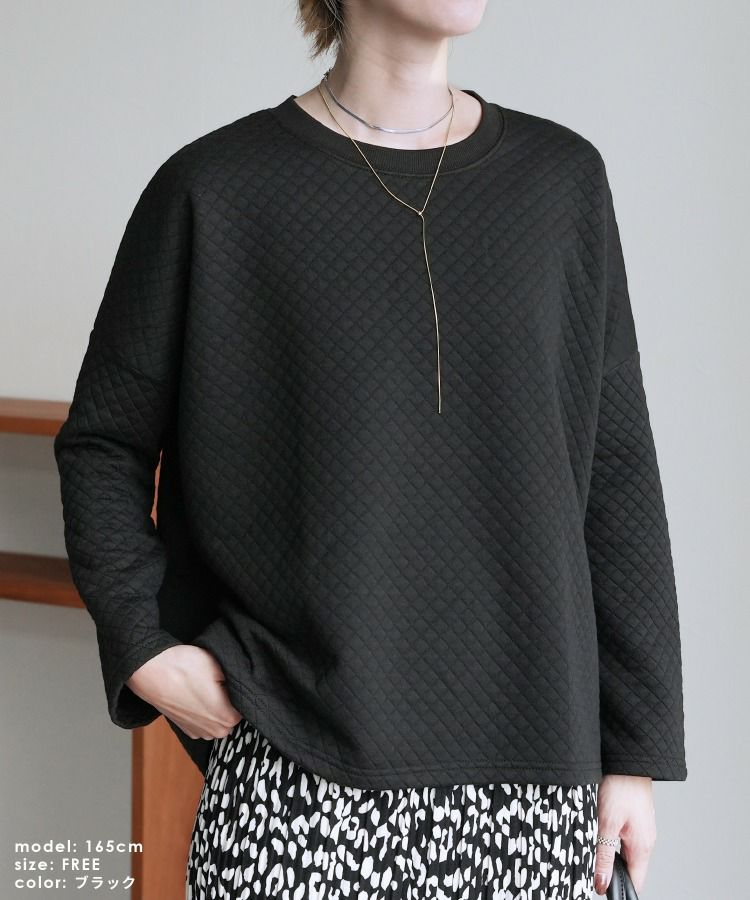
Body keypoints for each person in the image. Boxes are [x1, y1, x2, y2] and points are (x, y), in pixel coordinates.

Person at [53, 1, 688, 898]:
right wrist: (142, 645)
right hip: (297, 769)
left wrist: (635, 754)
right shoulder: (216, 189)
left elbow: (616, 473)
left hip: (536, 779)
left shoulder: (562, 183)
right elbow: (103, 443)